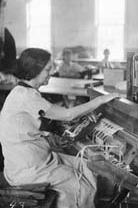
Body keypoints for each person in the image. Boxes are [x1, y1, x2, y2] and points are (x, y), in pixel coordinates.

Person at [0, 48, 120, 208]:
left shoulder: (24, 92)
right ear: (34, 70)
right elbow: (67, 115)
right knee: (77, 183)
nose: (50, 73)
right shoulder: (25, 96)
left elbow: (46, 122)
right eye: (47, 69)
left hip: (37, 160)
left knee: (86, 166)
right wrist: (101, 100)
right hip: (28, 169)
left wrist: (77, 124)